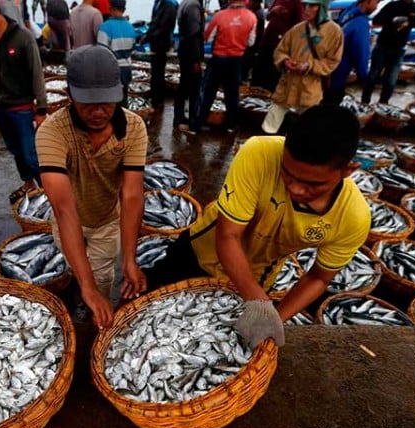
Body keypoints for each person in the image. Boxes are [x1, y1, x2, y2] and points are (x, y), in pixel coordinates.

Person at [144, 104, 370, 347]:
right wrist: (258, 301)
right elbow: (228, 236)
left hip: (254, 277)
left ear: (348, 170)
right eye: (288, 174)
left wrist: (274, 316)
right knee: (148, 311)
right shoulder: (259, 153)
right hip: (199, 251)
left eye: (312, 184)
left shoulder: (353, 217)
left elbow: (319, 277)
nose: (295, 189)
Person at [37, 45, 148, 329]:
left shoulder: (134, 127)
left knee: (102, 278)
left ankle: (91, 301)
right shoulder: (52, 131)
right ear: (70, 94)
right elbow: (64, 209)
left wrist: (130, 260)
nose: (98, 112)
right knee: (81, 273)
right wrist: (85, 285)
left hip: (107, 221)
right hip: (69, 218)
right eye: (88, 103)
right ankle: (82, 288)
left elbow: (133, 194)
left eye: (107, 102)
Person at [0, 0, 47, 204]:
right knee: (14, 149)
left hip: (22, 108)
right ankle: (29, 182)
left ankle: (48, 192)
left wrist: (41, 108)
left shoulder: (23, 37)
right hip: (1, 106)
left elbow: (36, 73)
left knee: (30, 154)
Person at [261, 0, 342, 134]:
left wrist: (309, 66)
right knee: (270, 126)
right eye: (306, 5)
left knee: (305, 130)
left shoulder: (334, 32)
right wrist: (285, 61)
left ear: (322, 8)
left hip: (310, 89)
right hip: (287, 85)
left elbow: (332, 61)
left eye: (312, 6)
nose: (307, 9)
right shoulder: (297, 29)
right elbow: (280, 50)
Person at [189, 0, 257, 134]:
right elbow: (251, 42)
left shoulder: (220, 16)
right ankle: (230, 126)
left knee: (207, 93)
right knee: (232, 94)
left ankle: (196, 126)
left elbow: (207, 37)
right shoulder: (251, 17)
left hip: (218, 60)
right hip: (236, 61)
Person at [361, 0, 415, 105]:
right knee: (373, 76)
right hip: (382, 46)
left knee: (391, 79)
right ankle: (364, 101)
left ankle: (383, 103)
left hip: (399, 49)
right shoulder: (392, 5)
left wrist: (410, 22)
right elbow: (376, 20)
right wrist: (394, 20)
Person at [324, 0, 379, 105]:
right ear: (368, 1)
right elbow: (361, 52)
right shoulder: (361, 24)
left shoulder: (349, 11)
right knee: (331, 105)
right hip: (339, 72)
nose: (376, 7)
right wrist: (363, 76)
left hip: (329, 68)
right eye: (376, 2)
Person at [251, 0, 303, 92]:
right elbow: (267, 16)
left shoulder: (296, 3)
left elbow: (299, 25)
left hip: (280, 44)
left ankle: (268, 96)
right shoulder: (277, 0)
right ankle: (253, 93)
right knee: (259, 70)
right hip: (267, 40)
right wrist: (273, 11)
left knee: (272, 74)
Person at [97, 0, 136, 106]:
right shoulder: (130, 27)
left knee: (110, 103)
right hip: (127, 69)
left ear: (111, 8)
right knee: (123, 100)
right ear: (124, 10)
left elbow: (102, 52)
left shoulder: (105, 27)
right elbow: (132, 47)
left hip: (111, 69)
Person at [142, 0, 177, 110]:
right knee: (156, 72)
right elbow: (155, 22)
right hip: (156, 43)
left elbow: (164, 27)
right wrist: (147, 36)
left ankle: (157, 101)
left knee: (158, 73)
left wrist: (149, 37)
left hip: (161, 44)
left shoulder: (169, 5)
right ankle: (154, 97)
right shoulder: (160, 3)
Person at [173, 0, 203, 130]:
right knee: (194, 89)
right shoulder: (193, 6)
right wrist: (196, 60)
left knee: (184, 86)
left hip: (184, 50)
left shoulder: (185, 3)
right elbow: (194, 34)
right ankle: (192, 120)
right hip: (190, 53)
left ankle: (179, 117)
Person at [242, 0, 265, 82]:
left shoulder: (257, 15)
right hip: (251, 48)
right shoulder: (256, 13)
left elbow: (255, 35)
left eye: (250, 1)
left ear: (256, 3)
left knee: (243, 73)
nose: (248, 3)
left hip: (250, 49)